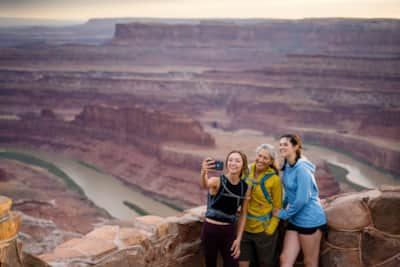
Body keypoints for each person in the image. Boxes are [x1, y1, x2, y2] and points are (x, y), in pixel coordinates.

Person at [272, 134, 327, 267]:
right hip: (295, 219)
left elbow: (302, 199)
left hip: (310, 220)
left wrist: (283, 214)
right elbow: (289, 193)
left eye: (285, 144)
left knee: (310, 262)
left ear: (296, 147)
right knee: (285, 259)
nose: (281, 147)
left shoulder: (302, 168)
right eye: (280, 144)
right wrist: (281, 205)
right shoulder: (288, 164)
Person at [200, 150, 251, 267]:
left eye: (237, 161)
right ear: (227, 163)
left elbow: (243, 214)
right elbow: (204, 185)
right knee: (210, 264)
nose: (233, 163)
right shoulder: (217, 181)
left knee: (232, 264)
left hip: (229, 232)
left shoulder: (245, 187)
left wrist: (238, 239)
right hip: (211, 230)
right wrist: (204, 172)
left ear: (243, 165)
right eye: (230, 160)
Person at [239, 144, 283, 267]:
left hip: (264, 230)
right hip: (244, 228)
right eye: (259, 156)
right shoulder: (245, 171)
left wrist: (270, 229)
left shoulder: (274, 180)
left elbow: (277, 206)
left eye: (265, 158)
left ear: (270, 162)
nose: (261, 160)